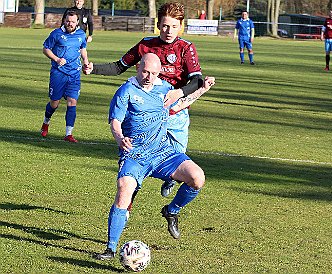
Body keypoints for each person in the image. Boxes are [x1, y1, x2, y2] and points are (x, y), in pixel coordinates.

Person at [83, 3, 212, 201]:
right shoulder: (146, 45)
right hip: (146, 115)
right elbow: (119, 67)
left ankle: (169, 181)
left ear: (181, 26)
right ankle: (127, 204)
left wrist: (179, 92)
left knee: (179, 162)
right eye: (165, 26)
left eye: (174, 26)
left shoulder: (185, 48)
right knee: (135, 162)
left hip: (175, 114)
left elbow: (197, 80)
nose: (169, 31)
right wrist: (94, 68)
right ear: (158, 24)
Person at [94, 53, 214, 260]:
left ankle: (171, 210)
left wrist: (202, 90)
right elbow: (115, 122)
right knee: (124, 189)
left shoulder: (165, 88)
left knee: (197, 178)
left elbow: (179, 105)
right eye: (145, 71)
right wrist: (120, 137)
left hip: (163, 153)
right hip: (135, 155)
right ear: (137, 68)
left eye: (153, 73)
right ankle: (110, 249)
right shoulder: (126, 91)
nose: (149, 76)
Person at [40, 11, 89, 143]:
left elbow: (83, 49)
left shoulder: (81, 34)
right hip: (58, 73)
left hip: (74, 74)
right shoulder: (56, 34)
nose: (70, 24)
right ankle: (46, 122)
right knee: (54, 103)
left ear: (77, 22)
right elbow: (45, 48)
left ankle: (68, 134)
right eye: (68, 21)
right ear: (64, 20)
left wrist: (85, 62)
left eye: (73, 22)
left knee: (72, 102)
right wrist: (56, 59)